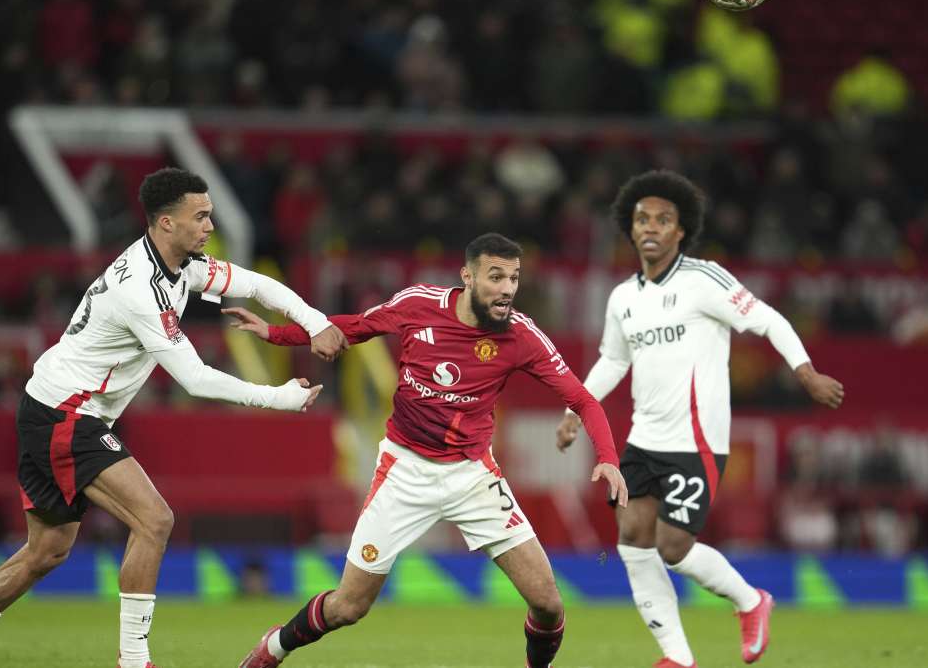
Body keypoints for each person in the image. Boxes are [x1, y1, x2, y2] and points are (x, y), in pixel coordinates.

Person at [0, 168, 349, 668]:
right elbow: (195, 378)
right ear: (166, 223)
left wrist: (316, 322)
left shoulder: (183, 266)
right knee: (155, 518)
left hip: (53, 408)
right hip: (66, 412)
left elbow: (253, 284)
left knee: (46, 552)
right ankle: (133, 661)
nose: (210, 224)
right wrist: (278, 399)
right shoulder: (140, 290)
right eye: (201, 215)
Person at [224, 232, 628, 668]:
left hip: (473, 476)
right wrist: (275, 333)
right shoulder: (419, 304)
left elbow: (583, 400)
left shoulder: (520, 336)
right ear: (467, 277)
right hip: (404, 470)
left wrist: (608, 458)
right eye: (496, 277)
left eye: (514, 278)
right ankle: (274, 647)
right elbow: (356, 327)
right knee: (348, 607)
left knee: (548, 603)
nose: (508, 288)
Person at [555, 170, 844, 668]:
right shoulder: (623, 297)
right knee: (631, 540)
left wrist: (806, 372)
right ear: (630, 226)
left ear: (681, 230)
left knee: (673, 545)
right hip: (643, 440)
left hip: (696, 440)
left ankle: (752, 601)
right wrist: (575, 410)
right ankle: (679, 658)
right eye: (642, 218)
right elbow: (614, 360)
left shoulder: (703, 280)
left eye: (663, 220)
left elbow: (769, 318)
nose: (650, 227)